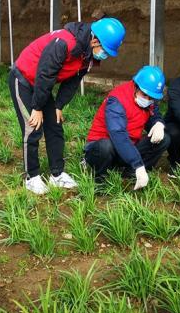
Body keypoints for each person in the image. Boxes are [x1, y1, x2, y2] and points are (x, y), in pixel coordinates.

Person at [9, 18, 126, 194]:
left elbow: (73, 81)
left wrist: (59, 105)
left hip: (42, 85)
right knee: (32, 127)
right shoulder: (64, 43)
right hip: (23, 79)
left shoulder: (87, 56)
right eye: (105, 50)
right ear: (95, 41)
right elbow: (45, 73)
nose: (105, 55)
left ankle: (57, 174)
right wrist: (37, 107)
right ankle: (31, 177)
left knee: (55, 125)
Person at [83, 66, 170, 190]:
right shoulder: (117, 100)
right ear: (136, 86)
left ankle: (131, 173)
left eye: (151, 97)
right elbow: (118, 135)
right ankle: (100, 179)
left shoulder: (148, 98)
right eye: (145, 95)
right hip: (103, 149)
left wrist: (158, 124)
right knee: (105, 146)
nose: (148, 100)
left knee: (164, 139)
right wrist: (138, 164)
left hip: (128, 146)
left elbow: (154, 114)